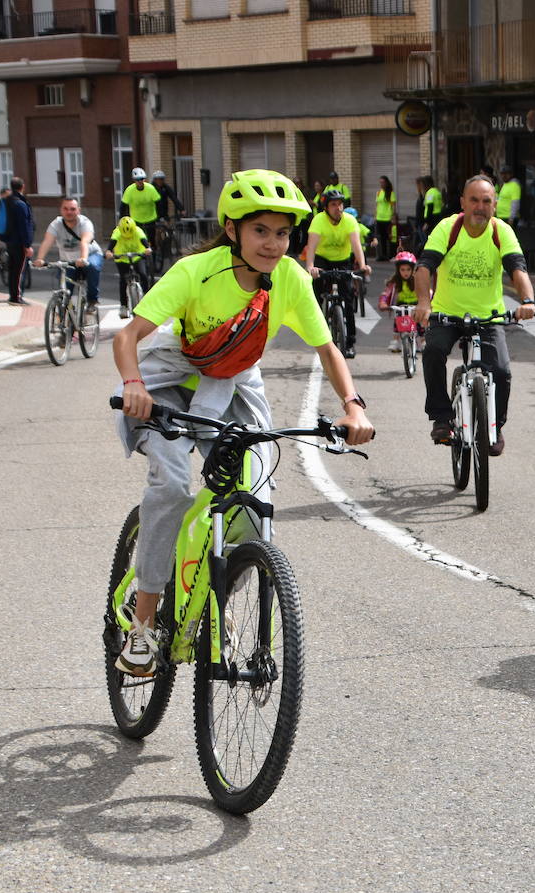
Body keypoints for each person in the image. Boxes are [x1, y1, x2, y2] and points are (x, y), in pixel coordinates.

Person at [109, 169, 373, 676]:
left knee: (254, 503)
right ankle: (142, 624)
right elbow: (128, 338)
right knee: (171, 486)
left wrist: (353, 406)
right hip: (170, 376)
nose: (274, 244)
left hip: (232, 380)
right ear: (232, 229)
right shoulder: (194, 272)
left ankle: (220, 598)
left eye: (282, 233)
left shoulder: (291, 279)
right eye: (260, 231)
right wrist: (133, 385)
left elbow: (327, 348)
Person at [414, 175, 535, 453]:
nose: (480, 207)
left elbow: (518, 268)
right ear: (462, 203)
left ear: (494, 205)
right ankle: (442, 416)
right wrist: (424, 302)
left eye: (486, 201)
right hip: (447, 312)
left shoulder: (501, 231)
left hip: (488, 316)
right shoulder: (448, 228)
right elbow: (425, 266)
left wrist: (527, 301)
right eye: (474, 200)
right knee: (433, 352)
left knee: (502, 372)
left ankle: (495, 426)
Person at [306, 189, 370, 359]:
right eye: (333, 204)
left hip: (343, 261)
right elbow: (311, 247)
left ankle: (350, 343)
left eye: (340, 204)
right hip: (322, 260)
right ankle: (318, 334)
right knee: (317, 297)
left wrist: (363, 265)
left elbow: (356, 245)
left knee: (348, 301)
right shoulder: (318, 220)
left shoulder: (349, 221)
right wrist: (311, 266)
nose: (338, 208)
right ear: (326, 207)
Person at [32, 197, 104, 306]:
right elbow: (47, 242)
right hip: (68, 260)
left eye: (72, 209)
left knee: (92, 267)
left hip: (90, 254)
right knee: (64, 292)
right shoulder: (56, 224)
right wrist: (40, 259)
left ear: (78, 210)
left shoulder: (85, 223)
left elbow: (84, 242)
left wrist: (83, 259)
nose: (69, 212)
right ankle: (63, 315)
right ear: (61, 210)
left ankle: (92, 301)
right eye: (65, 209)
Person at [106, 216, 152, 319]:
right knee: (123, 279)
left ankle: (148, 299)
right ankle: (124, 306)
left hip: (137, 256)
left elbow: (145, 242)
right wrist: (109, 252)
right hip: (122, 258)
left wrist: (148, 249)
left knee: (143, 274)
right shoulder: (117, 232)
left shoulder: (138, 231)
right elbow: (110, 246)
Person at [0, 177, 35, 304]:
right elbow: (24, 226)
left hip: (9, 240)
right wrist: (27, 245)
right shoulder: (20, 204)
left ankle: (12, 294)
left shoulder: (6, 202)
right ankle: (17, 297)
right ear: (23, 186)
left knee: (12, 269)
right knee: (20, 271)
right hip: (19, 242)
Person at [379, 249, 419, 352]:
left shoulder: (418, 280)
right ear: (398, 270)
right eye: (402, 270)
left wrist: (429, 302)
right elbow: (386, 293)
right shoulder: (395, 281)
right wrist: (383, 302)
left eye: (408, 269)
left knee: (420, 322)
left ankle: (423, 342)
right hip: (401, 304)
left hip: (416, 304)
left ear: (413, 269)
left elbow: (428, 292)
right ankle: (395, 341)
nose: (405, 272)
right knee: (398, 321)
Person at [120, 168, 161, 257]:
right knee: (139, 240)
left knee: (152, 239)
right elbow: (123, 206)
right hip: (136, 219)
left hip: (150, 218)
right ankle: (141, 259)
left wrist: (160, 217)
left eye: (142, 179)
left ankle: (154, 258)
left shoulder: (150, 188)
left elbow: (158, 203)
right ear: (134, 180)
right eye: (137, 180)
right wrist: (122, 220)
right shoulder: (129, 190)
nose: (140, 181)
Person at [374, 175, 397, 261]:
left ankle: (391, 255)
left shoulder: (391, 193)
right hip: (379, 218)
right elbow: (377, 205)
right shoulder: (379, 192)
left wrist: (393, 217)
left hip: (387, 218)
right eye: (380, 182)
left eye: (383, 182)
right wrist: (375, 216)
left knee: (389, 237)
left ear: (386, 183)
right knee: (382, 238)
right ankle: (383, 255)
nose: (381, 184)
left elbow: (393, 206)